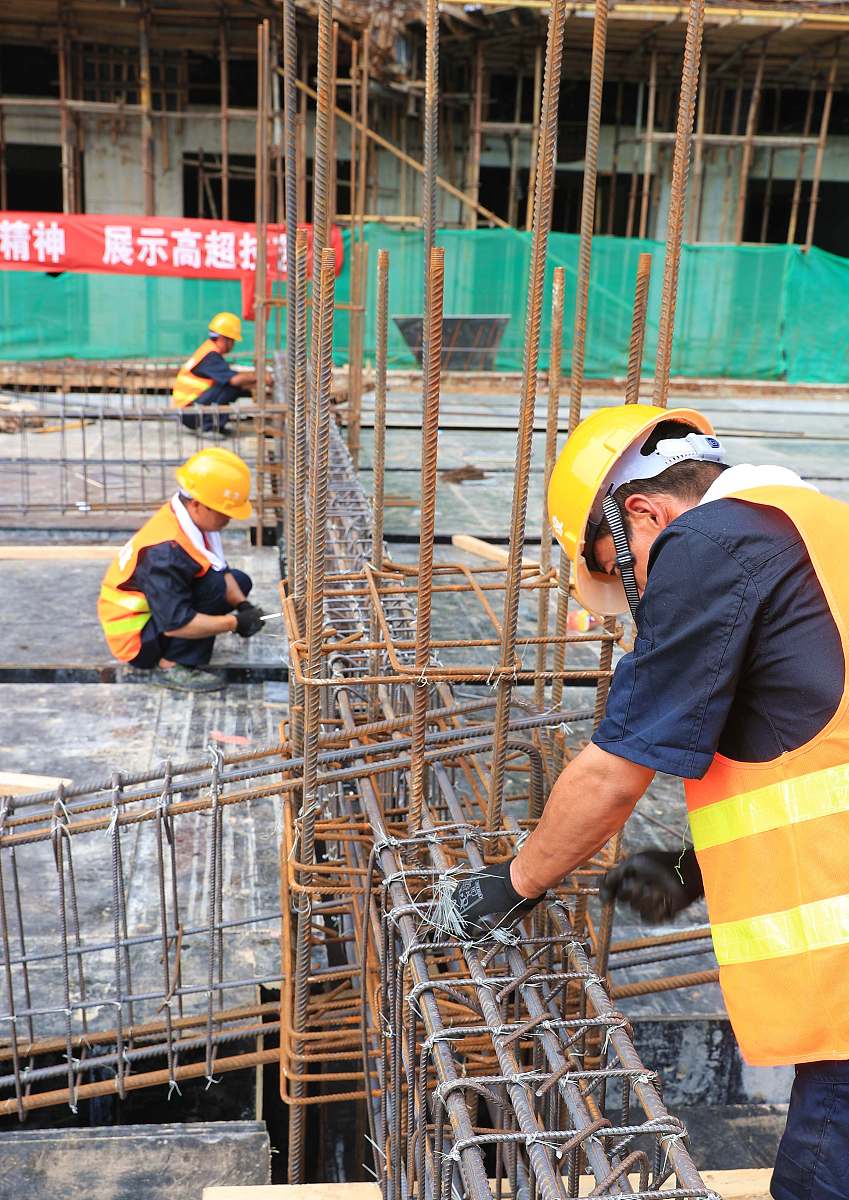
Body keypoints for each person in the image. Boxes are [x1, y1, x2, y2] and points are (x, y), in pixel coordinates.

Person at [452, 403, 849, 1200]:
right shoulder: (820, 530)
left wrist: (512, 885)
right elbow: (819, 738)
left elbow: (613, 771)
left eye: (617, 563)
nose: (634, 590)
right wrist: (699, 867)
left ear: (642, 511)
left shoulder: (708, 542)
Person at [97, 447, 265, 692]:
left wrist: (243, 606)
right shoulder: (165, 552)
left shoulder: (189, 520)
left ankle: (179, 652)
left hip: (155, 617)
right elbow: (177, 624)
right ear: (198, 504)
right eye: (223, 512)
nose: (229, 519)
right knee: (215, 587)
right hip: (137, 640)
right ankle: (173, 665)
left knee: (237, 581)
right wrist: (234, 623)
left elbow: (221, 569)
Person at [171, 311, 256, 434]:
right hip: (190, 412)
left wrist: (253, 382)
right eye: (232, 340)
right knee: (229, 387)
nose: (233, 345)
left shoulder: (209, 350)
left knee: (231, 387)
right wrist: (258, 378)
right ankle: (208, 427)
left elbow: (231, 376)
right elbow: (234, 380)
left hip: (190, 409)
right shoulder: (210, 356)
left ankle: (216, 426)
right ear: (223, 338)